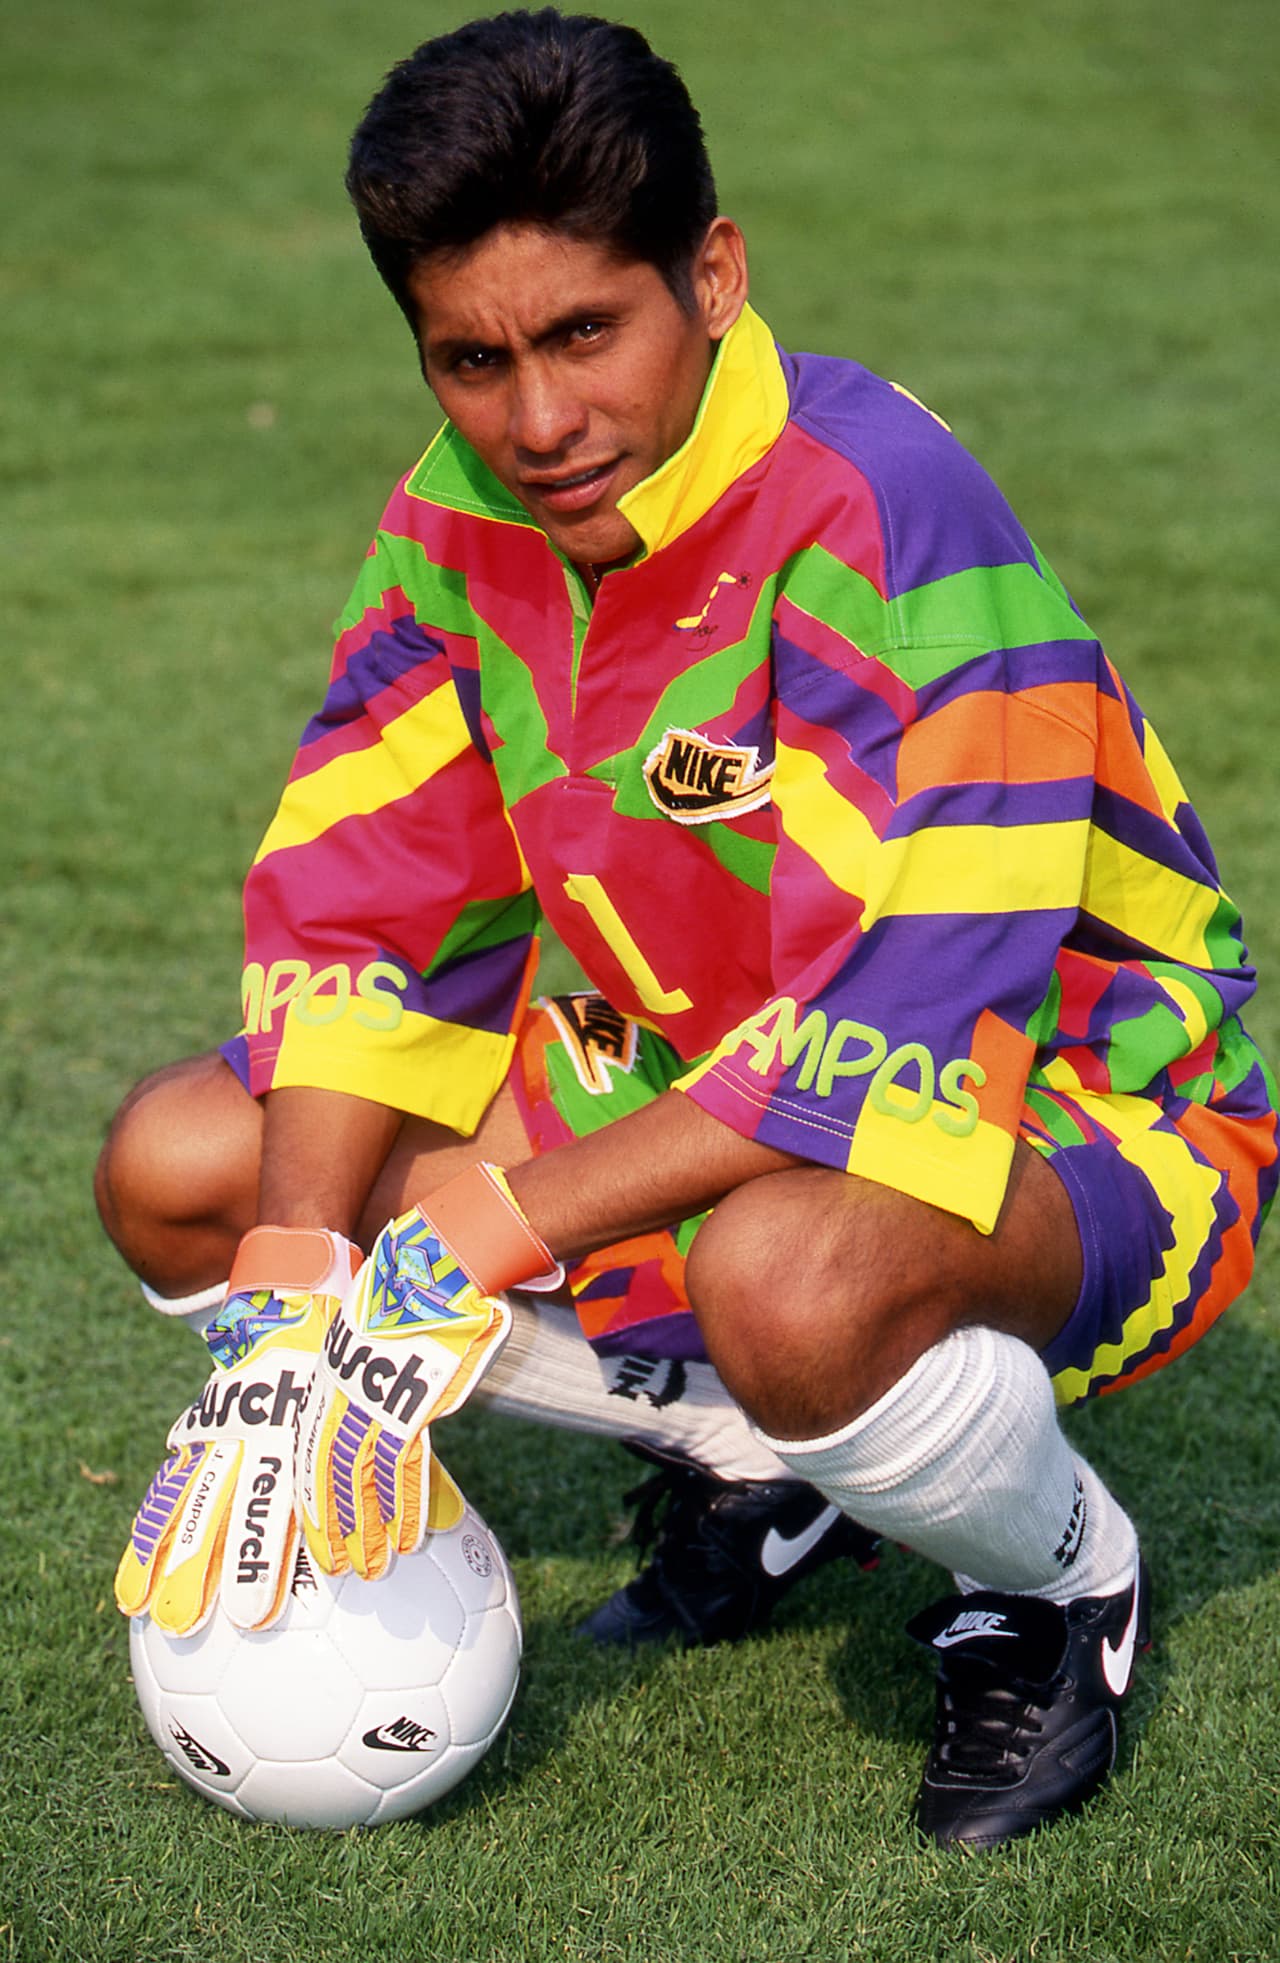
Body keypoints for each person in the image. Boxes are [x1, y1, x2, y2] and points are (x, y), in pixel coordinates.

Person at [97, 9, 1276, 1850]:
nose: (539, 421)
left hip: (1092, 1103)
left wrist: (491, 1220)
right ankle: (753, 1456)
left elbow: (900, 1025)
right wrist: (300, 1277)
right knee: (192, 1170)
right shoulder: (454, 517)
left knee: (790, 1282)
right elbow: (373, 904)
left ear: (711, 274)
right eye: (470, 360)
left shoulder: (881, 507)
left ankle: (1059, 1585)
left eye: (583, 333)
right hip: (686, 1063)